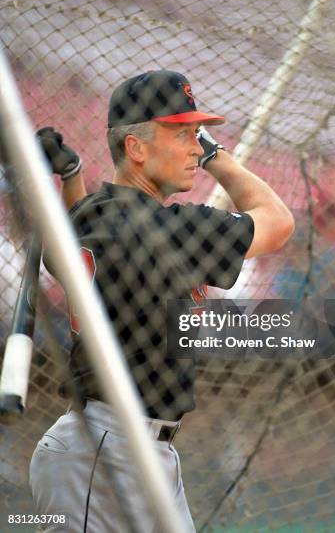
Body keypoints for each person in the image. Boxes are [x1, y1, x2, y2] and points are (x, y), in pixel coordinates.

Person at [29, 70, 295, 532]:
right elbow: (277, 221)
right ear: (136, 148)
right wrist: (217, 157)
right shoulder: (167, 230)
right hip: (106, 454)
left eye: (198, 136)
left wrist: (71, 175)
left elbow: (71, 239)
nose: (195, 147)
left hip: (125, 450)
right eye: (184, 135)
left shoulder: (93, 214)